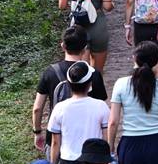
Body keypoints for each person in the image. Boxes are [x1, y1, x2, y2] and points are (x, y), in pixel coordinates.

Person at [32, 26, 107, 154]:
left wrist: (37, 132)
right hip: (89, 139)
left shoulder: (50, 72)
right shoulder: (93, 74)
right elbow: (102, 109)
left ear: (63, 46)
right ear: (85, 48)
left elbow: (37, 108)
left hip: (58, 137)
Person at [47, 61, 110, 164]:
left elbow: (55, 143)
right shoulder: (101, 106)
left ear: (69, 84)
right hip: (94, 163)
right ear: (90, 84)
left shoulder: (60, 108)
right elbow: (106, 138)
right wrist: (107, 163)